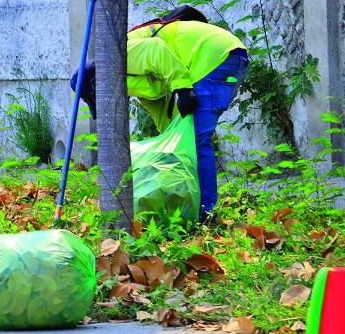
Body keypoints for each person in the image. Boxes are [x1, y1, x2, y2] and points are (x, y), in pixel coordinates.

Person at [73, 13, 248, 219]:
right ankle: (199, 208)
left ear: (96, 87)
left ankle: (204, 213)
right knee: (190, 139)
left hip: (212, 56)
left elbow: (156, 50)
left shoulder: (114, 58)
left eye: (98, 101)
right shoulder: (127, 82)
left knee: (195, 140)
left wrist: (183, 89)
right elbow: (162, 113)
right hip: (222, 57)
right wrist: (168, 144)